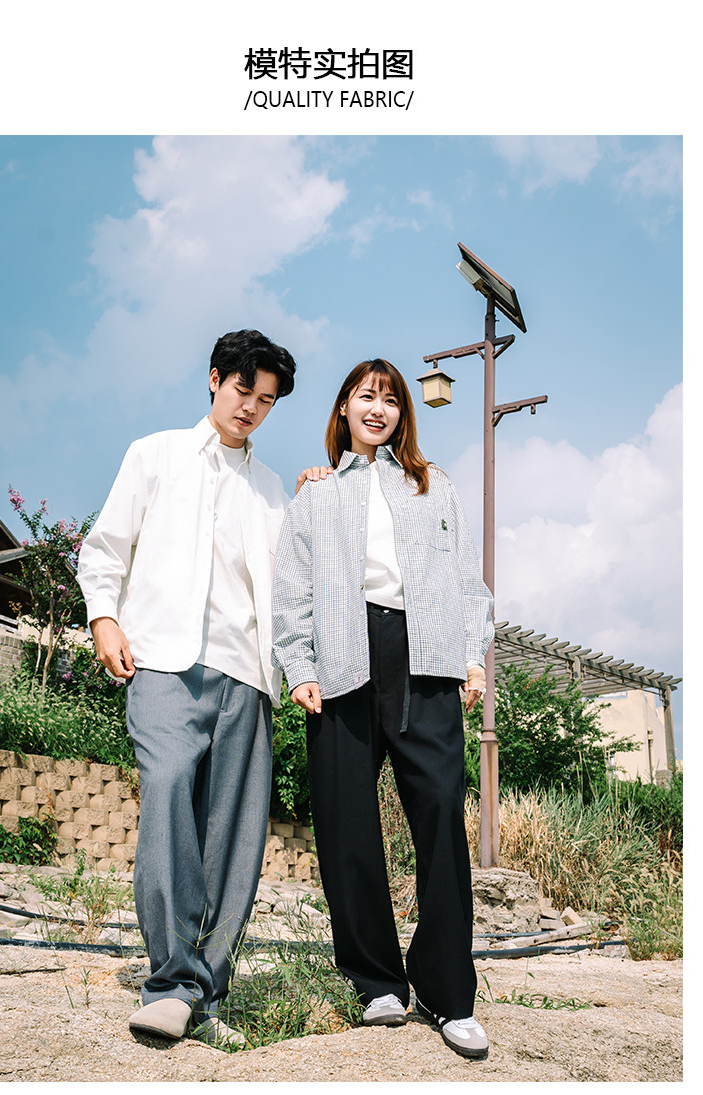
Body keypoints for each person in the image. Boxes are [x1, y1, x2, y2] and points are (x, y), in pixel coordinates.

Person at [77, 329, 302, 1046]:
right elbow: (105, 548)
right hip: (163, 663)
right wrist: (104, 617)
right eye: (243, 390)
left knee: (233, 836)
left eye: (266, 400)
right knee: (169, 787)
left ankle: (206, 996)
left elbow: (295, 586)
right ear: (214, 379)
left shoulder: (273, 491)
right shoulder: (155, 454)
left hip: (247, 674)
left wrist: (317, 497)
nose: (251, 407)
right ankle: (172, 981)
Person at [271, 358, 494, 1059]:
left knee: (440, 815)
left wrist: (473, 655)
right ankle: (377, 983)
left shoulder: (434, 484)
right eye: (366, 396)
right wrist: (300, 667)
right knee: (347, 825)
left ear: (403, 414)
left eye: (391, 399)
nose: (379, 408)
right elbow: (292, 589)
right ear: (344, 407)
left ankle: (447, 991)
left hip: (425, 657)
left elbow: (466, 579)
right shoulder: (316, 493)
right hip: (342, 658)